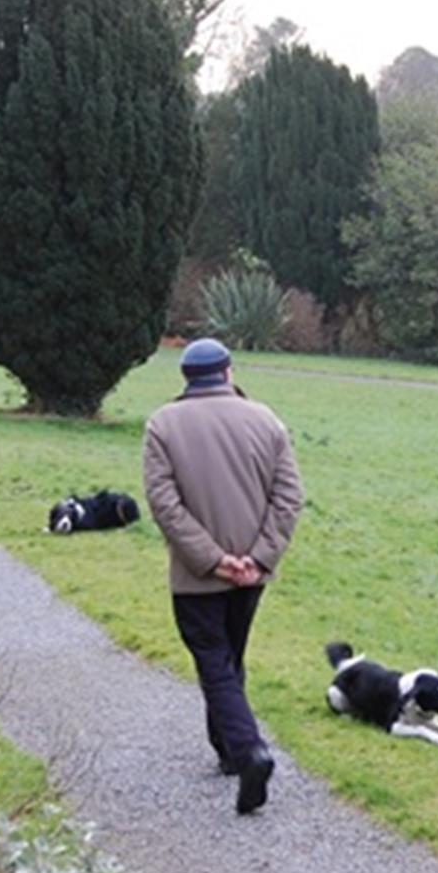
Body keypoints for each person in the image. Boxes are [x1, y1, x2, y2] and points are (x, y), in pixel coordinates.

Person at [142, 338, 304, 814]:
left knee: (214, 663)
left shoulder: (163, 425)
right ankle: (229, 752)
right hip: (251, 576)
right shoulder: (265, 419)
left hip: (196, 576)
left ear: (186, 378)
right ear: (228, 372)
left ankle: (248, 749)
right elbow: (289, 496)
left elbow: (164, 505)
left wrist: (212, 560)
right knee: (230, 657)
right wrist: (257, 558)